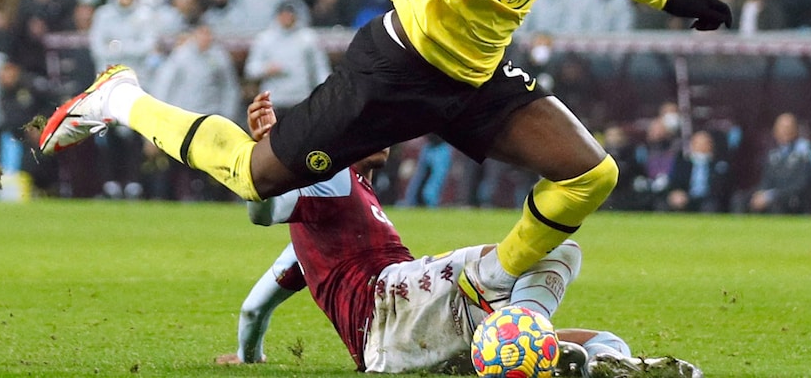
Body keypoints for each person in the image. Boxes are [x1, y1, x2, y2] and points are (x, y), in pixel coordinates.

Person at [40, 0, 731, 318]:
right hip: (395, 71)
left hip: (474, 79)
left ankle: (486, 284)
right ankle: (119, 98)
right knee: (257, 177)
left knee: (589, 174)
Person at [214, 92, 701, 377]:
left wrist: (249, 357)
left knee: (602, 340)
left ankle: (599, 361)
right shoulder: (330, 181)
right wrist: (268, 162)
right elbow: (266, 209)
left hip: (397, 350)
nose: (379, 133)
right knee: (555, 247)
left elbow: (256, 306)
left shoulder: (323, 229)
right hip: (394, 303)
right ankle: (523, 329)